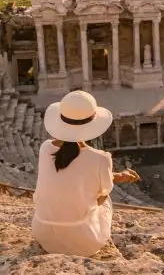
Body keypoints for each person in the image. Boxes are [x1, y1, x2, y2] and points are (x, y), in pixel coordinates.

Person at [32, 90, 140, 257]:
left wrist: (119, 175)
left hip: (44, 235)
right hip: (84, 242)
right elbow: (101, 196)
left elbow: (72, 174)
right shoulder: (101, 159)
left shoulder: (45, 147)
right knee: (106, 196)